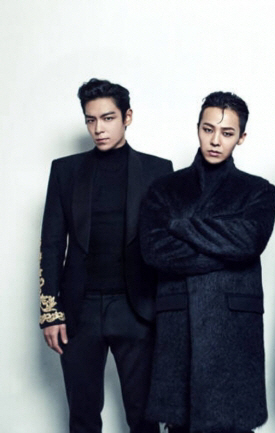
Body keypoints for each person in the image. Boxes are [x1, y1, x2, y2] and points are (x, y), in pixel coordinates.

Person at [39, 78, 173, 433]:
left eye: (108, 118)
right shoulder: (65, 171)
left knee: (144, 418)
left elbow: (167, 248)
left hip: (137, 309)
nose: (98, 129)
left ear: (127, 117)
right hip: (79, 310)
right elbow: (51, 243)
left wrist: (168, 314)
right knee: (82, 417)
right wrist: (50, 313)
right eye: (91, 120)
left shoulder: (158, 171)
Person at [139, 91, 275, 433]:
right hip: (178, 322)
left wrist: (180, 226)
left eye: (227, 133)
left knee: (233, 422)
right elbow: (155, 250)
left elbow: (248, 243)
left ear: (241, 137)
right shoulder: (164, 188)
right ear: (198, 128)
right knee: (180, 423)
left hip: (233, 327)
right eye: (208, 129)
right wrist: (224, 248)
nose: (215, 141)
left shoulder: (259, 190)